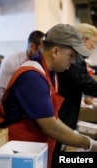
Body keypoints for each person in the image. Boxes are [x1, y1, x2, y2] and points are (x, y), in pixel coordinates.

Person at [0, 23, 97, 168]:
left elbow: (53, 117)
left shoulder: (51, 74)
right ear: (55, 51)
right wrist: (89, 144)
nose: (73, 62)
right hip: (19, 156)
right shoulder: (32, 76)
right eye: (71, 56)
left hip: (36, 152)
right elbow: (50, 126)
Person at [52, 23, 97, 165]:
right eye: (93, 43)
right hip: (64, 110)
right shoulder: (76, 60)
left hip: (65, 109)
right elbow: (83, 82)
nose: (94, 47)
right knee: (57, 152)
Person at [0, 30, 44, 128]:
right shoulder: (11, 61)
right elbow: (6, 94)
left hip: (15, 109)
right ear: (32, 46)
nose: (43, 54)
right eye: (41, 50)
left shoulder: (37, 63)